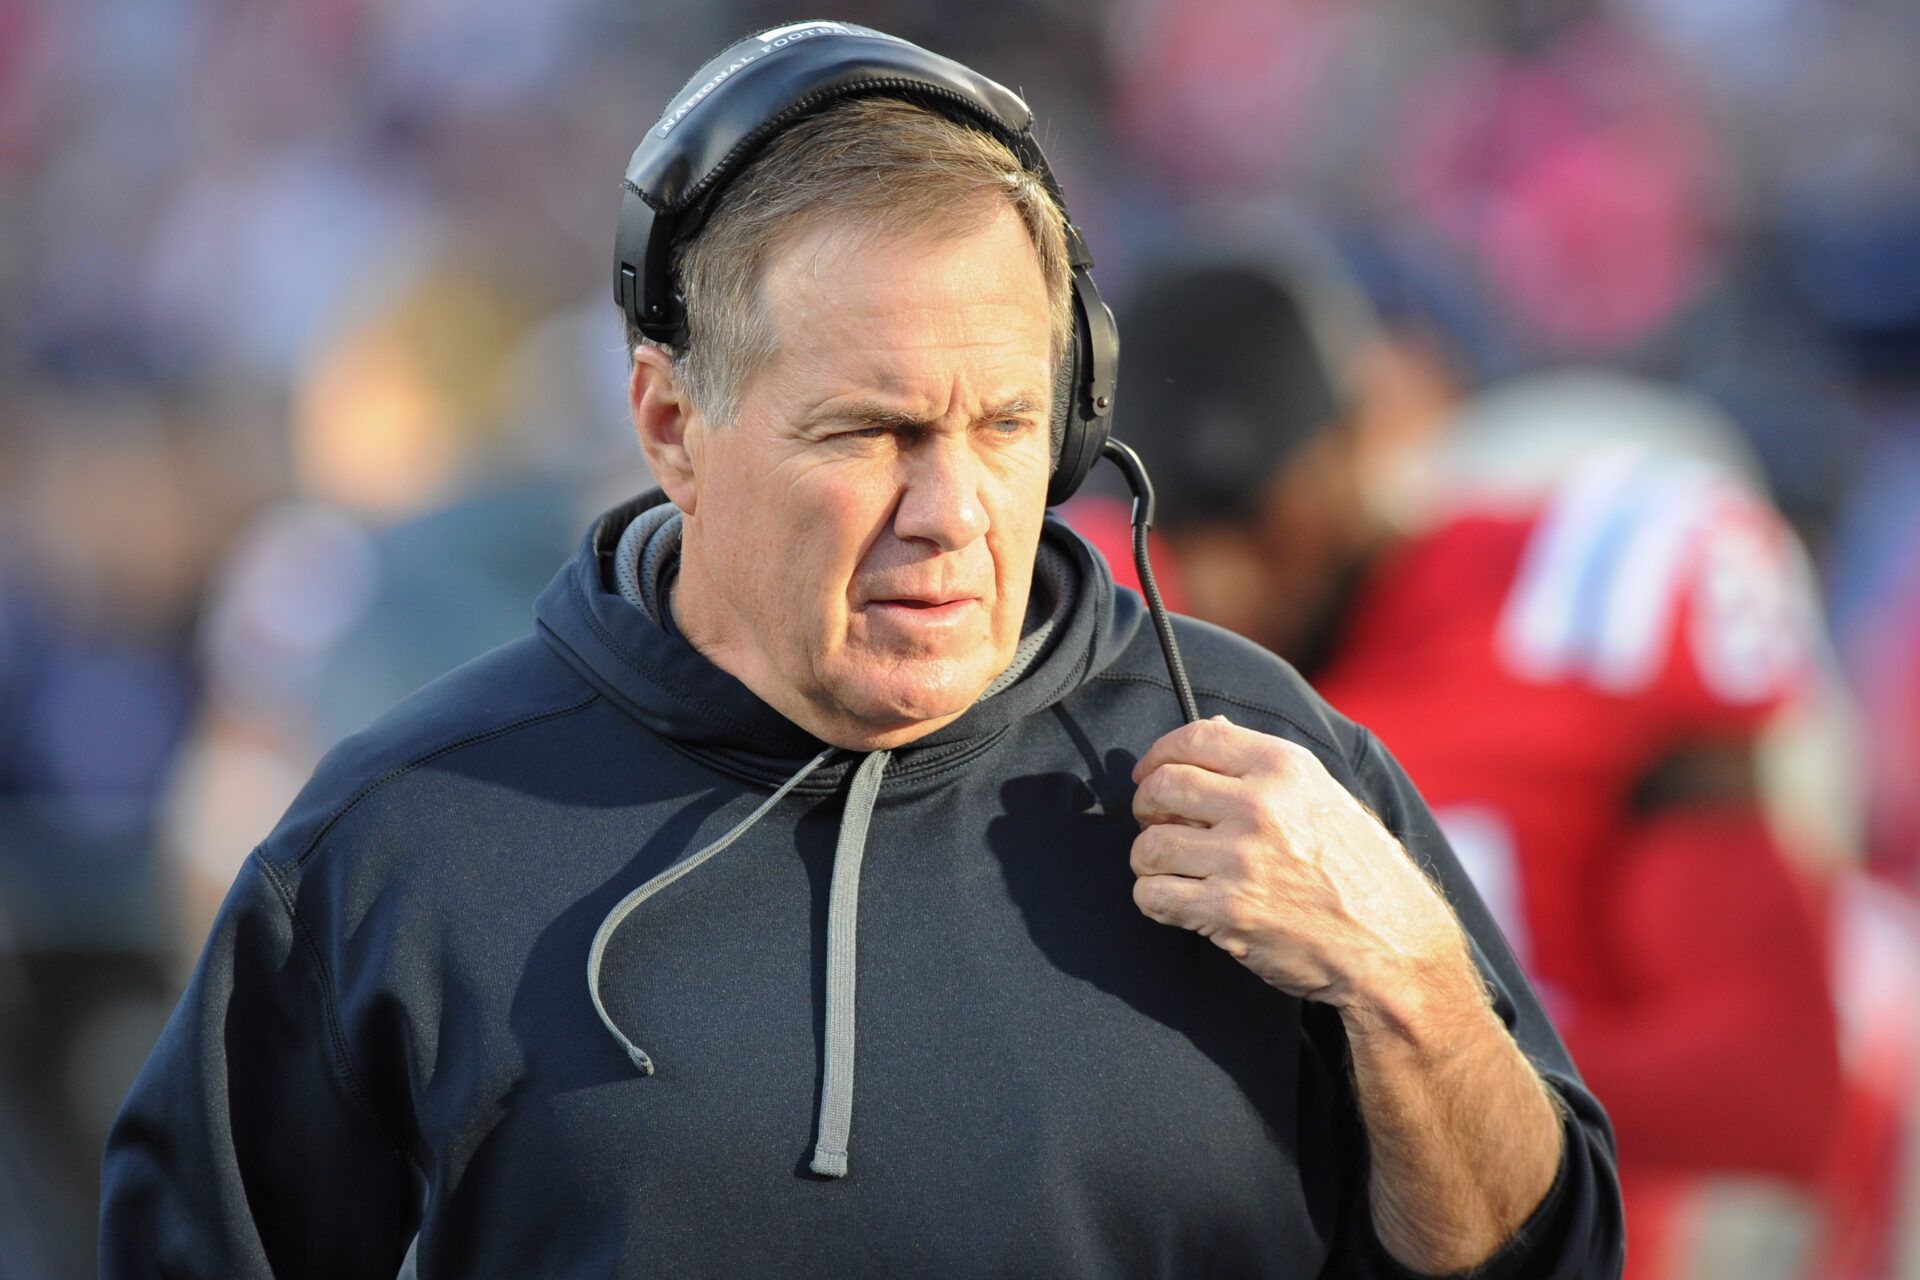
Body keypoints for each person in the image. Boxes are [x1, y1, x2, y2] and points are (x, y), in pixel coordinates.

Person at [101, 25, 1622, 1278]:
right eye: (873, 431)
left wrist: (1413, 982)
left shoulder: (1264, 762)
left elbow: (1542, 1259)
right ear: (671, 427)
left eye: (1008, 426)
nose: (956, 512)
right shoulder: (406, 842)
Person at [1104, 253, 1851, 1279]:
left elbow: (1770, 1083)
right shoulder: (1105, 616)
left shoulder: (1588, 608)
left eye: (1266, 517)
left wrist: (1425, 1044)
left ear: (1361, 436)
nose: (1233, 576)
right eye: (1189, 532)